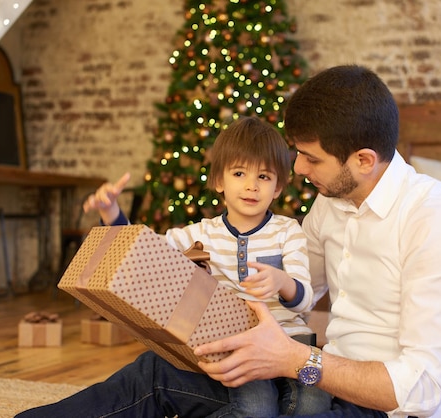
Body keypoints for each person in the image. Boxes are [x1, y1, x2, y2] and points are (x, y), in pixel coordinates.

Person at [17, 65, 441, 418]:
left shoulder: (436, 224)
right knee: (156, 374)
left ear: (363, 159)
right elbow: (298, 288)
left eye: (310, 158)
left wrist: (294, 358)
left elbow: (420, 387)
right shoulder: (331, 207)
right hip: (314, 380)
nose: (297, 170)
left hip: (383, 409)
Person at [18, 116, 332, 418]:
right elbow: (145, 250)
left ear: (277, 187)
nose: (251, 186)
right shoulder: (201, 234)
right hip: (240, 346)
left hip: (295, 342)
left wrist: (282, 282)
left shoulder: (287, 231)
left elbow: (305, 299)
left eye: (263, 177)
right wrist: (112, 212)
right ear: (219, 181)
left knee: (314, 407)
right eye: (239, 174)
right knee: (255, 410)